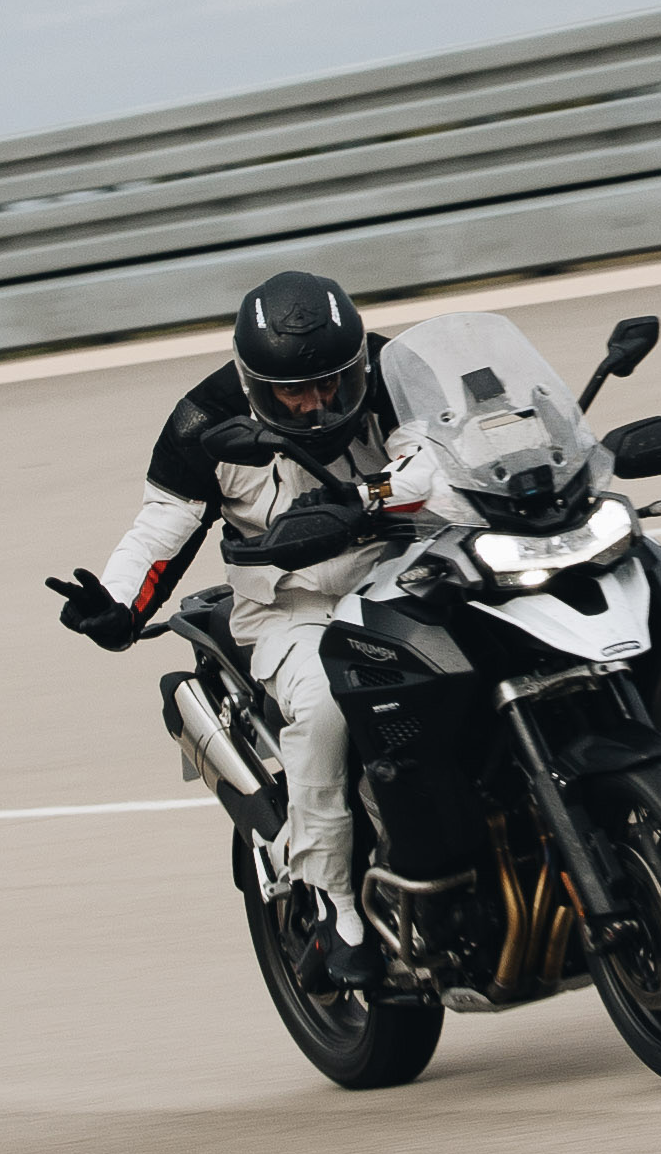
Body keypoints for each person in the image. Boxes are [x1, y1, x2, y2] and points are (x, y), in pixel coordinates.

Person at [46, 267, 406, 970]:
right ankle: (334, 903)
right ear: (255, 386)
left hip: (407, 579)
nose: (318, 402)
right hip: (295, 611)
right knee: (331, 704)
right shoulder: (203, 421)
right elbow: (160, 530)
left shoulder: (400, 373)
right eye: (297, 390)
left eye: (333, 380)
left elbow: (468, 449)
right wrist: (117, 605)